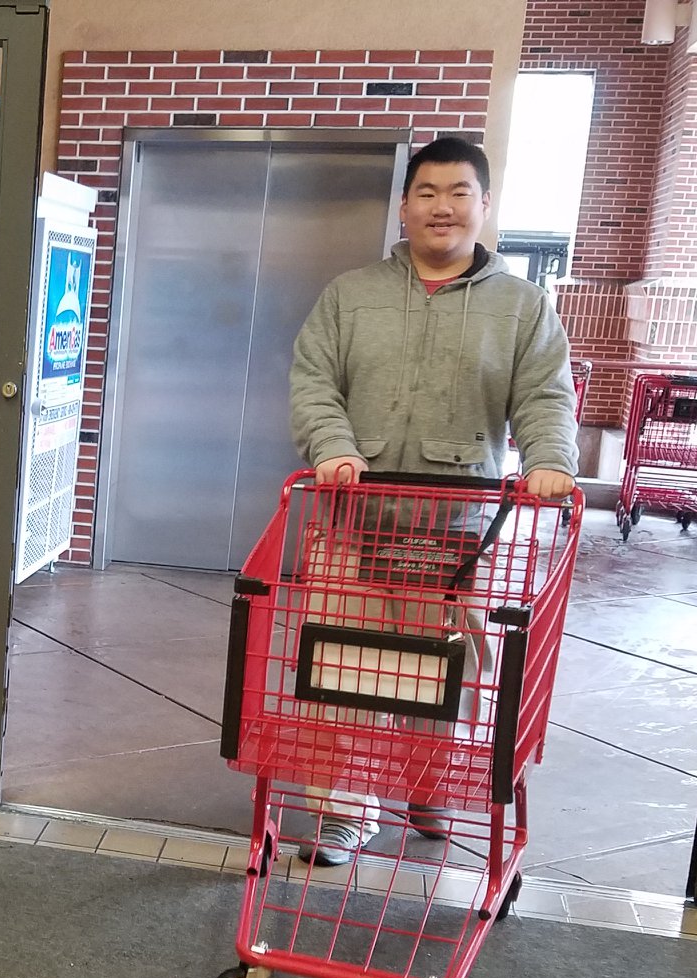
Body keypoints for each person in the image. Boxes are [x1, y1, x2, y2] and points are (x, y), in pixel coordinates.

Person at [287, 135, 578, 867]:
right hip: (353, 523)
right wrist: (334, 447)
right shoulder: (351, 296)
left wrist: (549, 462)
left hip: (463, 534)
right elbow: (313, 380)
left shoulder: (522, 308)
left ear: (483, 206)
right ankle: (343, 811)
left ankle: (427, 782)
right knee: (343, 666)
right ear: (404, 207)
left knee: (446, 670)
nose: (442, 207)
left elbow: (545, 396)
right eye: (427, 193)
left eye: (459, 193)